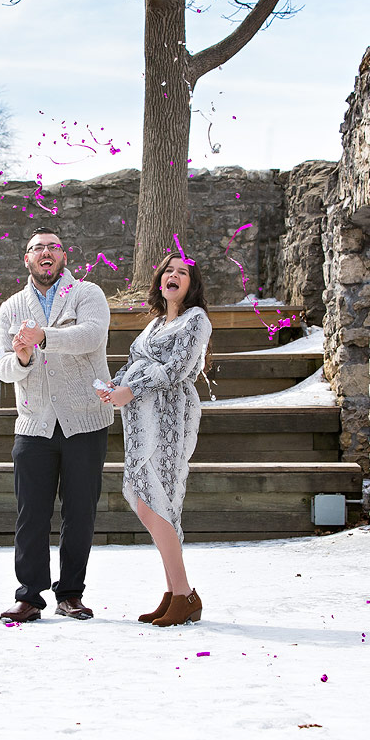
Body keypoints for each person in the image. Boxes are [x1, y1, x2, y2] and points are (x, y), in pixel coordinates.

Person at [0, 226, 114, 623]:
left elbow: (91, 336)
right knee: (31, 513)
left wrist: (44, 336)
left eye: (53, 247)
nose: (46, 252)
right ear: (26, 259)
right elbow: (2, 367)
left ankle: (71, 594)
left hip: (85, 420)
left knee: (80, 512)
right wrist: (24, 357)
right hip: (34, 425)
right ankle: (29, 596)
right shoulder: (11, 308)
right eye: (37, 248)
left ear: (64, 257)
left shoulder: (87, 293)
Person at [98, 252, 212, 627]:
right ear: (160, 281)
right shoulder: (155, 324)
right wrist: (115, 384)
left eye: (183, 273)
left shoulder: (196, 321)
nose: (174, 276)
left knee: (156, 503)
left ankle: (184, 594)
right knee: (149, 500)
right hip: (140, 420)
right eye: (168, 271)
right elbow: (133, 362)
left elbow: (178, 369)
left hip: (168, 417)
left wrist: (132, 389)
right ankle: (174, 592)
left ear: (191, 285)